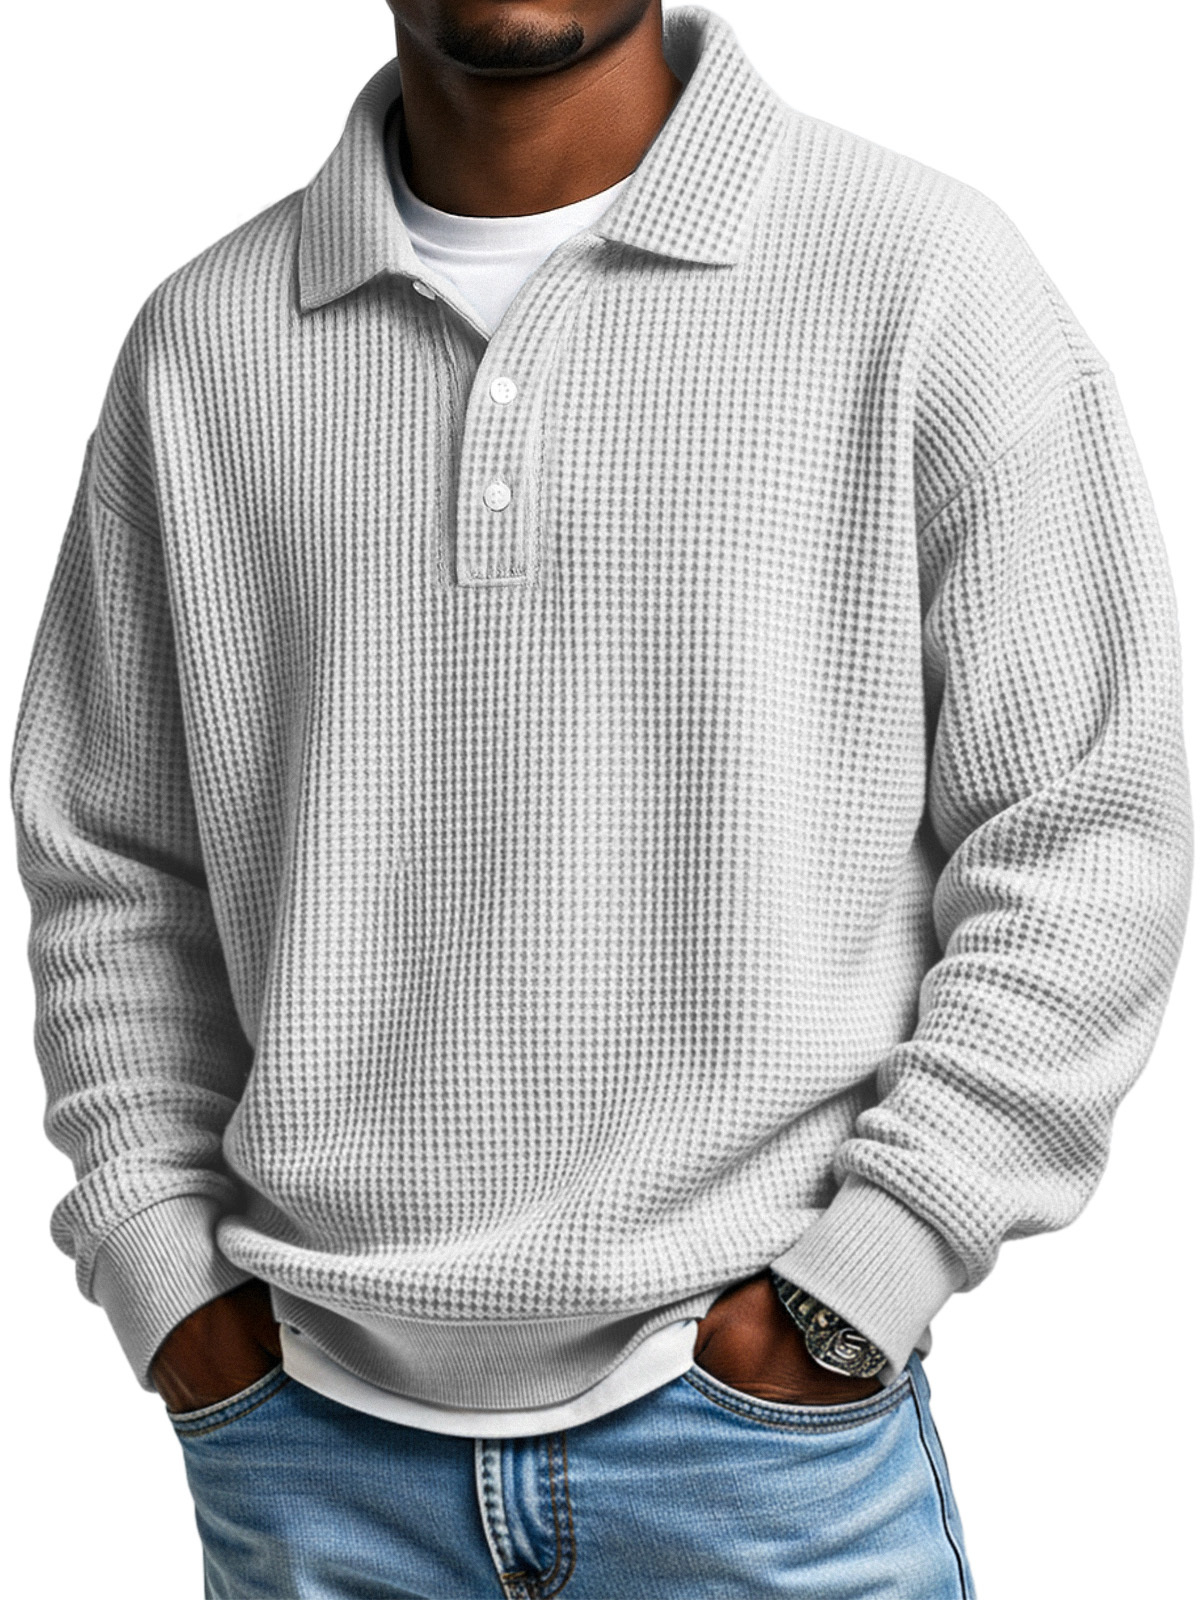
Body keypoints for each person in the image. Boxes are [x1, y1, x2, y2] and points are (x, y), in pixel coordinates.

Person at [9, 2, 1192, 1595]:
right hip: (308, 1456)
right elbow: (112, 863)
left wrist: (871, 1271)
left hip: (756, 1452)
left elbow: (1087, 825)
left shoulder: (920, 276)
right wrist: (166, 1277)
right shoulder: (205, 344)